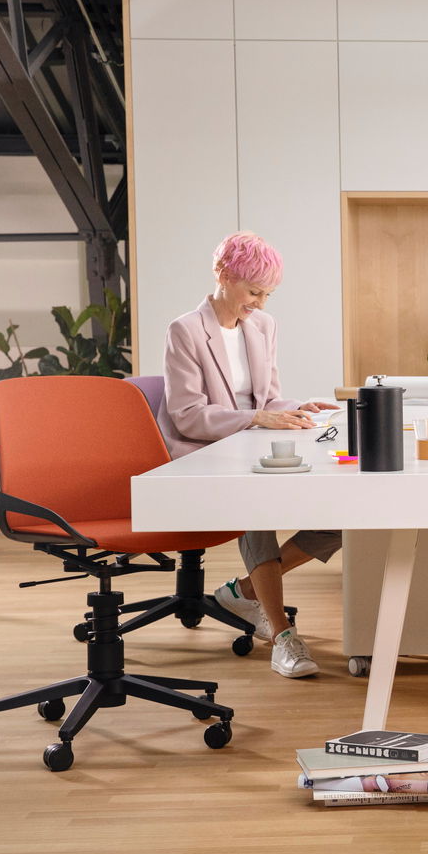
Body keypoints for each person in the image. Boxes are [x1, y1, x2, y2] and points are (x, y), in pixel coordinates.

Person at [162, 231, 340, 679]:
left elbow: (264, 400)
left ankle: (243, 590)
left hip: (250, 442)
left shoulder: (263, 326)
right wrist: (257, 420)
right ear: (223, 275)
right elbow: (187, 416)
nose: (260, 303)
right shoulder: (185, 330)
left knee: (343, 513)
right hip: (204, 451)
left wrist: (294, 408)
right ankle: (283, 636)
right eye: (254, 291)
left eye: (267, 294)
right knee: (257, 503)